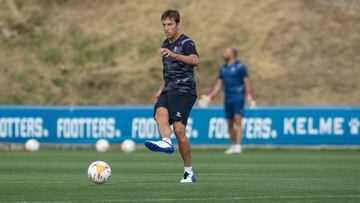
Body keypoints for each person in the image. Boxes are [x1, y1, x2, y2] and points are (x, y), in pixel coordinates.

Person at [144, 9, 199, 183]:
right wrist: (161, 88)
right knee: (159, 113)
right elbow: (168, 72)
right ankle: (166, 142)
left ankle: (188, 172)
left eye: (170, 24)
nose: (167, 28)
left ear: (177, 24)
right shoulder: (164, 44)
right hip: (169, 88)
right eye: (164, 25)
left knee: (179, 130)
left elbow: (195, 60)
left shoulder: (186, 42)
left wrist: (174, 55)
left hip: (185, 90)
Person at [207, 47, 254, 154]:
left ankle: (238, 145)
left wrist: (249, 95)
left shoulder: (240, 66)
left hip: (238, 96)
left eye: (226, 52)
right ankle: (232, 145)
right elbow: (219, 83)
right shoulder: (223, 68)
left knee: (238, 119)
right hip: (227, 97)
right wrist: (211, 96)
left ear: (232, 54)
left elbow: (246, 81)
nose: (224, 54)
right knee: (230, 122)